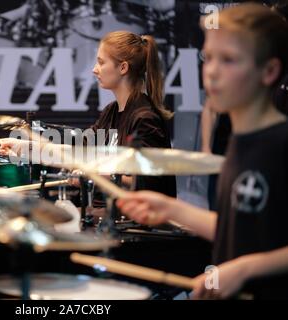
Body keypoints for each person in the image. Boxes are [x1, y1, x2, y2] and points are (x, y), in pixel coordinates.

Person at [117, 3, 288, 299]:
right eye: (208, 58)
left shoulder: (280, 143)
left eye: (229, 60)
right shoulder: (240, 142)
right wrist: (171, 210)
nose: (212, 73)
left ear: (269, 70)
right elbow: (242, 231)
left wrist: (244, 269)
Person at [0, 30, 176, 197]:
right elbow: (81, 151)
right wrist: (24, 148)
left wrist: (93, 174)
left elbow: (147, 186)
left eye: (101, 62)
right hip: (114, 215)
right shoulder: (111, 111)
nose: (94, 69)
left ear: (123, 68)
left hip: (140, 225)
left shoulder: (144, 119)